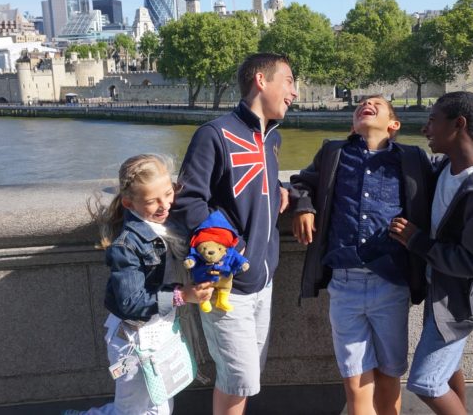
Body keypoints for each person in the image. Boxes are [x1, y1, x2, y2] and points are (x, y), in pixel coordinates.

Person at [169, 52, 298, 415]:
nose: (295, 92)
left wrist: (284, 191)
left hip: (263, 280)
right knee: (237, 380)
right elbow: (189, 202)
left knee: (245, 379)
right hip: (228, 283)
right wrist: (232, 250)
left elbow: (254, 186)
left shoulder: (272, 138)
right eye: (288, 81)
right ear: (261, 80)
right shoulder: (214, 134)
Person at [289, 95, 433, 415]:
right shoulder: (334, 153)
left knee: (389, 375)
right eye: (361, 105)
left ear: (393, 125)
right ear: (352, 124)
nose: (366, 105)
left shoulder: (411, 158)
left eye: (376, 105)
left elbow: (444, 185)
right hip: (344, 285)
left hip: (391, 284)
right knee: (354, 382)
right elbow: (302, 183)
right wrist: (303, 207)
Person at [389, 92, 473, 415]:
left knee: (425, 381)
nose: (426, 129)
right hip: (441, 288)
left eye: (433, 120)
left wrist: (417, 242)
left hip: (458, 301)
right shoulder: (446, 169)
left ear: (458, 124)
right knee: (449, 368)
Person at [67, 154, 214, 415]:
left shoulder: (166, 225)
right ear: (128, 203)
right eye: (152, 201)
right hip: (132, 342)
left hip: (159, 333)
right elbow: (129, 302)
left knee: (160, 406)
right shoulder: (125, 244)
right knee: (134, 410)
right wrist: (182, 295)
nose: (164, 205)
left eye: (168, 193)